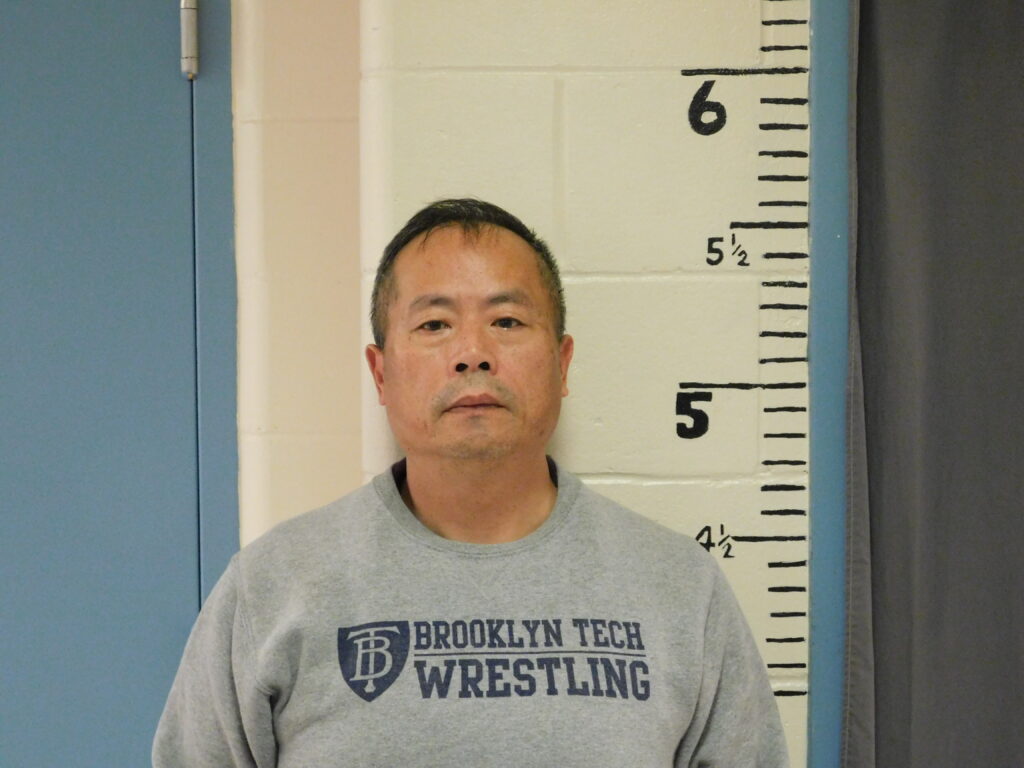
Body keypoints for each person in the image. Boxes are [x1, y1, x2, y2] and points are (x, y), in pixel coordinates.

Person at [153, 199, 788, 767]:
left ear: (562, 362)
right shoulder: (273, 586)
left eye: (507, 321)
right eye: (434, 325)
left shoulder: (680, 588)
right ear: (381, 374)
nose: (472, 353)